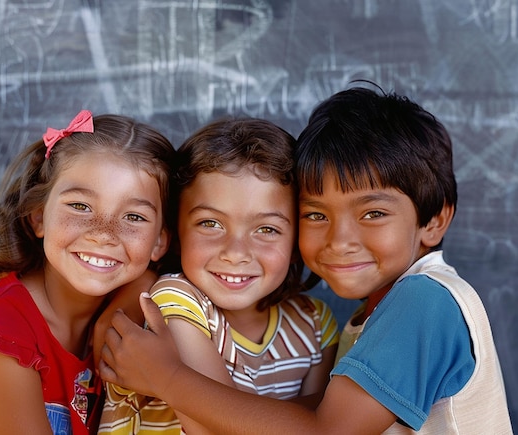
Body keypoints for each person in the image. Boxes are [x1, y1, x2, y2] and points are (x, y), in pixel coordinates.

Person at [98, 87, 513, 434]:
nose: (340, 240)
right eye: (317, 215)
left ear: (434, 220)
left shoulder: (425, 302)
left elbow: (324, 431)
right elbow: (310, 413)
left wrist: (167, 378)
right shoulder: (381, 311)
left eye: (373, 213)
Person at [0, 110, 175, 435]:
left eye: (133, 217)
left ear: (159, 242)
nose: (103, 234)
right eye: (80, 206)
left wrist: (139, 287)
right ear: (38, 217)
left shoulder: (127, 314)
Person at [97, 118, 339, 435]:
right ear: (176, 232)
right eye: (210, 224)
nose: (236, 252)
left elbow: (325, 428)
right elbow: (217, 427)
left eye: (267, 229)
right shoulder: (174, 299)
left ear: (296, 241)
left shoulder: (316, 325)